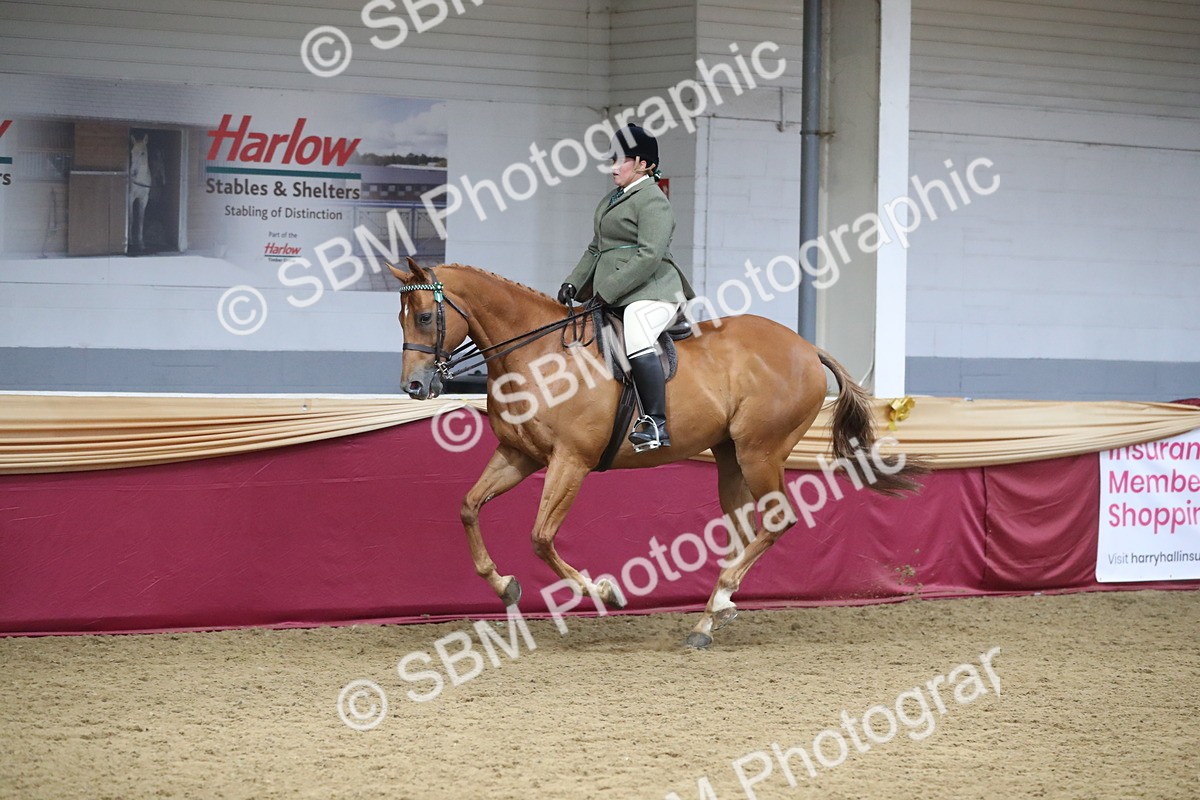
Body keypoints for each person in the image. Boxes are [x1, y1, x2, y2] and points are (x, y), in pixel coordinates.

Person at [558, 124, 696, 450]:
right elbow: (596, 248)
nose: (612, 168)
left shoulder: (654, 202)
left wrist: (608, 291)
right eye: (612, 160)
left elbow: (650, 256)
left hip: (652, 289)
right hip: (615, 290)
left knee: (636, 335)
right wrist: (573, 282)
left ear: (644, 164)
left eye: (620, 161)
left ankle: (655, 424)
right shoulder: (611, 199)